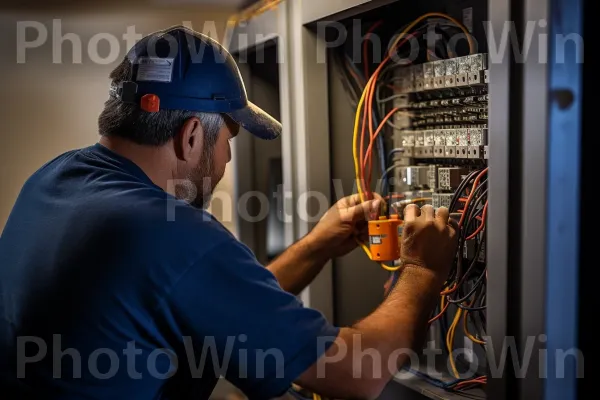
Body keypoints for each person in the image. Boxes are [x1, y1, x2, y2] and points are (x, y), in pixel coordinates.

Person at [0, 26, 458, 400]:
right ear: (193, 135)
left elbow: (216, 303)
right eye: (230, 141)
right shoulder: (173, 233)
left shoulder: (54, 178)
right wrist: (422, 267)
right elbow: (357, 374)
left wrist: (316, 247)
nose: (225, 162)